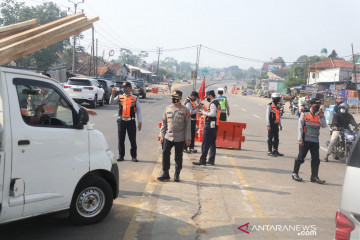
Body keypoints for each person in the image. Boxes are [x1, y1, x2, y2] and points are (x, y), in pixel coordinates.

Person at [158, 90, 191, 182]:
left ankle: (177, 174)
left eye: (176, 97)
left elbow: (188, 125)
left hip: (180, 137)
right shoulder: (167, 108)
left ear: (180, 98)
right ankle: (165, 173)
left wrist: (188, 138)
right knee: (165, 153)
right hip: (168, 136)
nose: (174, 99)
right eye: (172, 97)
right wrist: (161, 135)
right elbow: (164, 123)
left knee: (178, 156)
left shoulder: (185, 110)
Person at [292, 98, 327, 184]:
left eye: (319, 105)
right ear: (311, 105)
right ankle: (295, 173)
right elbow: (300, 127)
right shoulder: (305, 113)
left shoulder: (319, 114)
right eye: (316, 105)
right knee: (301, 157)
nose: (317, 107)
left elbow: (324, 125)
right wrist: (300, 139)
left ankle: (314, 177)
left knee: (316, 159)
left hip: (315, 140)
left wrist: (321, 117)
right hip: (305, 139)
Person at [110, 82, 142, 162]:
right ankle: (121, 155)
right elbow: (111, 102)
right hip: (121, 121)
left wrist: (140, 122)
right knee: (121, 139)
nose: (125, 89)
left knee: (132, 140)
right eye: (124, 88)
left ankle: (134, 156)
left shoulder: (135, 98)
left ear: (130, 88)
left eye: (126, 88)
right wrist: (112, 94)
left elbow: (139, 111)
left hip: (131, 121)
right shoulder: (120, 97)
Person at [193, 90, 220, 166]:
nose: (207, 98)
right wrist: (205, 108)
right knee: (212, 143)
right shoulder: (217, 102)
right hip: (215, 125)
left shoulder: (213, 103)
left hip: (209, 125)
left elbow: (212, 114)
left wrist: (203, 113)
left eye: (207, 97)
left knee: (205, 143)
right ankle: (211, 160)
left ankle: (202, 160)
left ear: (210, 96)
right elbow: (213, 112)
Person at [266, 93, 284, 157]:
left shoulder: (278, 106)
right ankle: (269, 151)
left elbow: (278, 115)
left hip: (276, 124)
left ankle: (275, 150)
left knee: (276, 138)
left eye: (279, 98)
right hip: (271, 124)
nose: (279, 100)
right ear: (273, 99)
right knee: (270, 137)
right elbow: (267, 116)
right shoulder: (269, 105)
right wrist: (268, 125)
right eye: (278, 99)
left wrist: (280, 124)